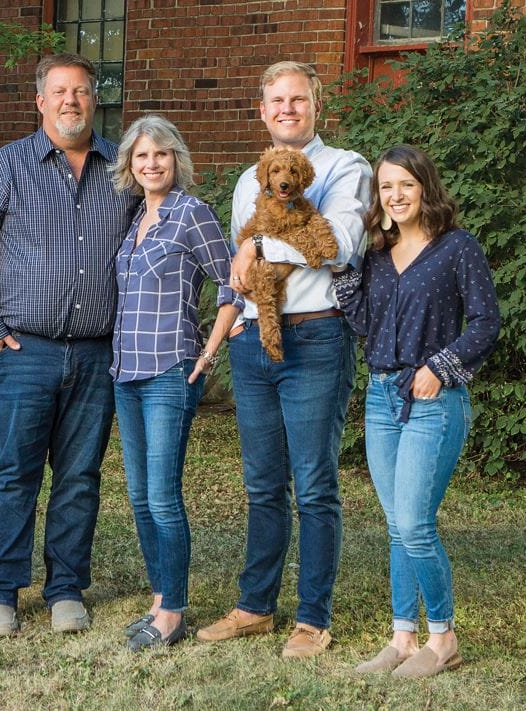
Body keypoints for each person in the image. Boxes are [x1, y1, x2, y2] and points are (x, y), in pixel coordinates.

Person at [0, 53, 135, 638]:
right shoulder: (5, 167)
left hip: (96, 351)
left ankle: (64, 590)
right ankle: (0, 593)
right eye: (60, 92)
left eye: (81, 92)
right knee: (14, 473)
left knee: (79, 475)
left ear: (94, 99)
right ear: (40, 100)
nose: (71, 102)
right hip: (22, 351)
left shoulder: (123, 171)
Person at [196, 61, 372, 658]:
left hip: (317, 339)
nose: (287, 109)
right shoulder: (250, 179)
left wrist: (254, 244)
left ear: (316, 105)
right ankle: (254, 607)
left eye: (298, 99)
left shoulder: (347, 167)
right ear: (262, 109)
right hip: (253, 342)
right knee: (262, 484)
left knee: (316, 486)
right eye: (276, 100)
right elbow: (238, 271)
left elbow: (341, 245)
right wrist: (223, 330)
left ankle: (312, 618)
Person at [333, 144, 500, 677]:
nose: (396, 195)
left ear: (425, 187)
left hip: (433, 399)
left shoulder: (458, 248)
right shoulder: (377, 255)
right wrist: (342, 271)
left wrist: (440, 367)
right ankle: (403, 638)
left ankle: (443, 637)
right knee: (395, 526)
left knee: (414, 523)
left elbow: (485, 323)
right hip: (381, 398)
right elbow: (365, 324)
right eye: (386, 187)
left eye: (405, 184)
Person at [108, 115, 242, 651]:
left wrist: (208, 355)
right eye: (142, 156)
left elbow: (233, 286)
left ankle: (174, 612)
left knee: (163, 496)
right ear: (130, 165)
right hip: (125, 372)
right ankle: (160, 597)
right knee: (140, 498)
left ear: (176, 159)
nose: (152, 164)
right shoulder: (135, 216)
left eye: (161, 154)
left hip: (169, 370)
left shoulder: (193, 214)